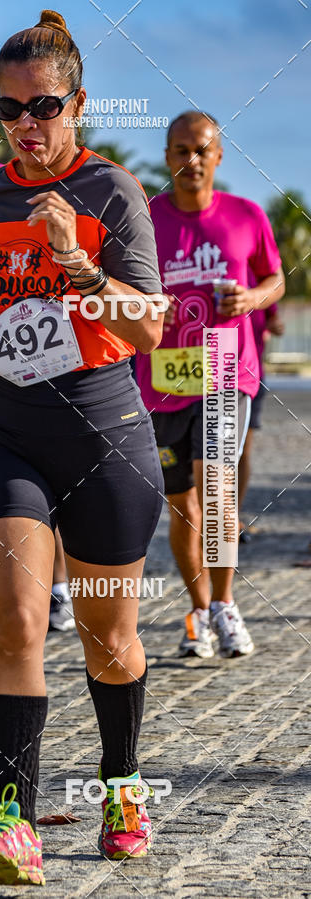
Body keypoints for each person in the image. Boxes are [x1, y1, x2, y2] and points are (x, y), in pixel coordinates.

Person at [0, 9, 166, 884]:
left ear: (79, 105)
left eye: (44, 106)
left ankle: (121, 779)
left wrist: (80, 266)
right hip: (6, 430)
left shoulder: (112, 192)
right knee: (21, 620)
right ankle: (13, 819)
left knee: (109, 638)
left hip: (105, 432)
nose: (25, 125)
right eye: (9, 108)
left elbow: (147, 328)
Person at [136, 111, 285, 659]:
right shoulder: (145, 219)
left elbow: (275, 278)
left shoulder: (246, 216)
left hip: (227, 370)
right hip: (162, 381)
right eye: (179, 150)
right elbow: (120, 289)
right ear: (168, 157)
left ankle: (225, 605)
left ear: (219, 156)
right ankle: (198, 609)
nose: (190, 161)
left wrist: (251, 300)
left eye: (201, 150)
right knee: (183, 507)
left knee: (219, 493)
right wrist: (152, 304)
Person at [238, 304, 284, 542]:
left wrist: (275, 326)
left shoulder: (258, 276)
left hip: (249, 373)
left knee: (241, 450)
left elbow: (276, 323)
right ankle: (200, 518)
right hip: (201, 370)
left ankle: (232, 517)